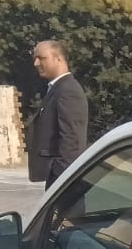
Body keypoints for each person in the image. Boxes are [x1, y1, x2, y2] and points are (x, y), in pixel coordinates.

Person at [29, 40, 88, 189]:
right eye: (35, 58)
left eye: (42, 58)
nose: (36, 63)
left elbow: (72, 140)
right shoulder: (57, 88)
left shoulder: (67, 91)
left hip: (63, 178)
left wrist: (60, 178)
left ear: (58, 59)